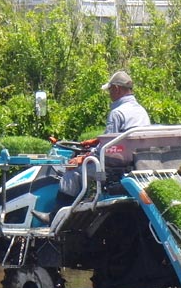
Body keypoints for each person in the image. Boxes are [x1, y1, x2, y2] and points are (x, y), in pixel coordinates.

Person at [56, 70, 151, 206]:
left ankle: (56, 215)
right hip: (136, 163)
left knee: (71, 173)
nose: (109, 94)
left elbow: (108, 149)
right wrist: (96, 141)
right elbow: (121, 138)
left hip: (114, 167)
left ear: (117, 89)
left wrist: (83, 157)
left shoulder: (117, 112)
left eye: (110, 90)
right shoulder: (141, 111)